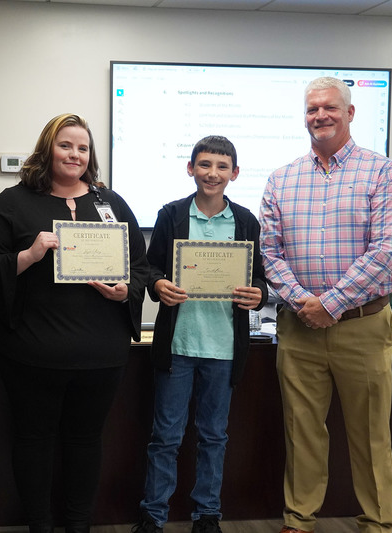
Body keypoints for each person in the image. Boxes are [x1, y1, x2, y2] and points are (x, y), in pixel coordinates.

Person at [0, 113, 148, 533]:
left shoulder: (111, 203)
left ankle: (79, 525)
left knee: (86, 442)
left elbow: (140, 266)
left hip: (100, 356)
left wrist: (126, 290)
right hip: (31, 355)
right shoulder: (12, 203)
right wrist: (28, 256)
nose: (75, 154)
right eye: (66, 145)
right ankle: (39, 525)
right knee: (34, 441)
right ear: (47, 149)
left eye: (83, 148)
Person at [259, 77, 392, 533]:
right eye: (311, 110)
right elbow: (270, 253)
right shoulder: (281, 179)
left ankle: (377, 524)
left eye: (329, 108)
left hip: (362, 325)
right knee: (301, 431)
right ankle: (299, 520)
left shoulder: (383, 172)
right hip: (298, 326)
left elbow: (385, 248)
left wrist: (333, 303)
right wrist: (306, 303)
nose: (319, 116)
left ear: (349, 113)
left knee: (370, 435)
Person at [134, 136, 267, 533]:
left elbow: (257, 279)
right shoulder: (171, 215)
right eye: (205, 165)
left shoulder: (245, 221)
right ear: (190, 168)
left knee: (214, 437)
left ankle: (207, 515)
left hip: (225, 347)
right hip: (178, 346)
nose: (213, 173)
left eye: (222, 167)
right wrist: (158, 286)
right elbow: (150, 267)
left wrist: (258, 295)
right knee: (165, 438)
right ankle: (153, 515)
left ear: (235, 173)